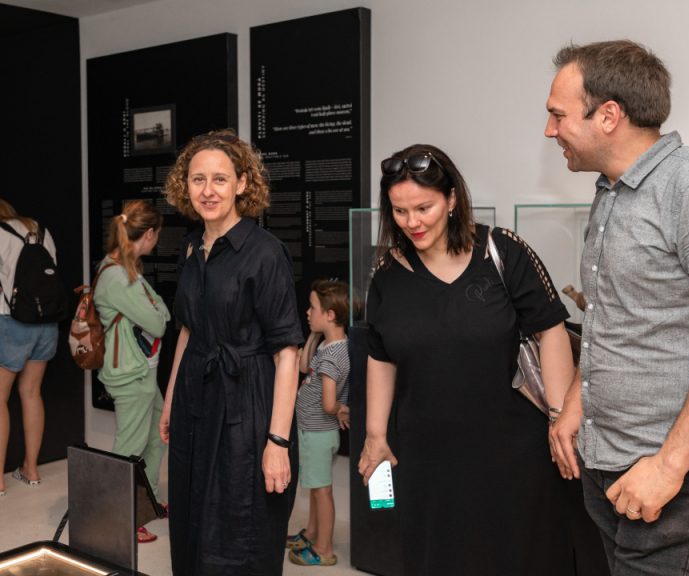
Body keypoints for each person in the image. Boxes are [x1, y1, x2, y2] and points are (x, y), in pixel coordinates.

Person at [357, 144, 581, 575]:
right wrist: (374, 435)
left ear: (451, 199)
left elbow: (551, 330)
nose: (412, 222)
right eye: (400, 211)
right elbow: (381, 356)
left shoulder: (502, 252)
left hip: (514, 452)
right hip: (429, 459)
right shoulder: (387, 276)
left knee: (521, 557)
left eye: (423, 208)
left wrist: (560, 417)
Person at [545, 39, 689, 575]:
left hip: (671, 480)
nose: (549, 131)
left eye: (558, 115)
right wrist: (576, 403)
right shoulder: (611, 192)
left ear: (609, 116)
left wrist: (670, 467)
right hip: (606, 466)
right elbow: (613, 318)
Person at [161, 128, 303, 575]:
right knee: (191, 521)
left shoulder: (265, 253)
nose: (208, 190)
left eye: (220, 179)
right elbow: (188, 330)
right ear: (185, 186)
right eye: (198, 179)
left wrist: (277, 441)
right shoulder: (191, 246)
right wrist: (170, 400)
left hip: (248, 405)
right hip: (194, 401)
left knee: (241, 528)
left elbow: (287, 352)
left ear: (242, 183)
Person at [0, 197, 58, 496]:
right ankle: (31, 469)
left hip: (13, 322)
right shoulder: (42, 231)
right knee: (32, 393)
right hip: (47, 323)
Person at [93, 199, 170, 544]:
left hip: (142, 372)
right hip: (131, 375)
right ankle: (119, 516)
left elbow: (161, 312)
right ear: (149, 234)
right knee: (130, 447)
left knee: (156, 438)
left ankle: (144, 505)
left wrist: (156, 311)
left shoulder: (126, 269)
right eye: (158, 235)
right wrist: (156, 311)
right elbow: (159, 321)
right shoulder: (117, 276)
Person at [285, 279, 351, 567]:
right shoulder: (329, 345)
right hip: (314, 432)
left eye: (313, 308)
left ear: (331, 314)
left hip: (318, 432)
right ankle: (312, 534)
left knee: (322, 491)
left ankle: (324, 549)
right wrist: (314, 332)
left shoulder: (333, 356)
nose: (307, 312)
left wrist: (340, 409)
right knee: (316, 486)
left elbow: (327, 403)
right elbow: (302, 367)